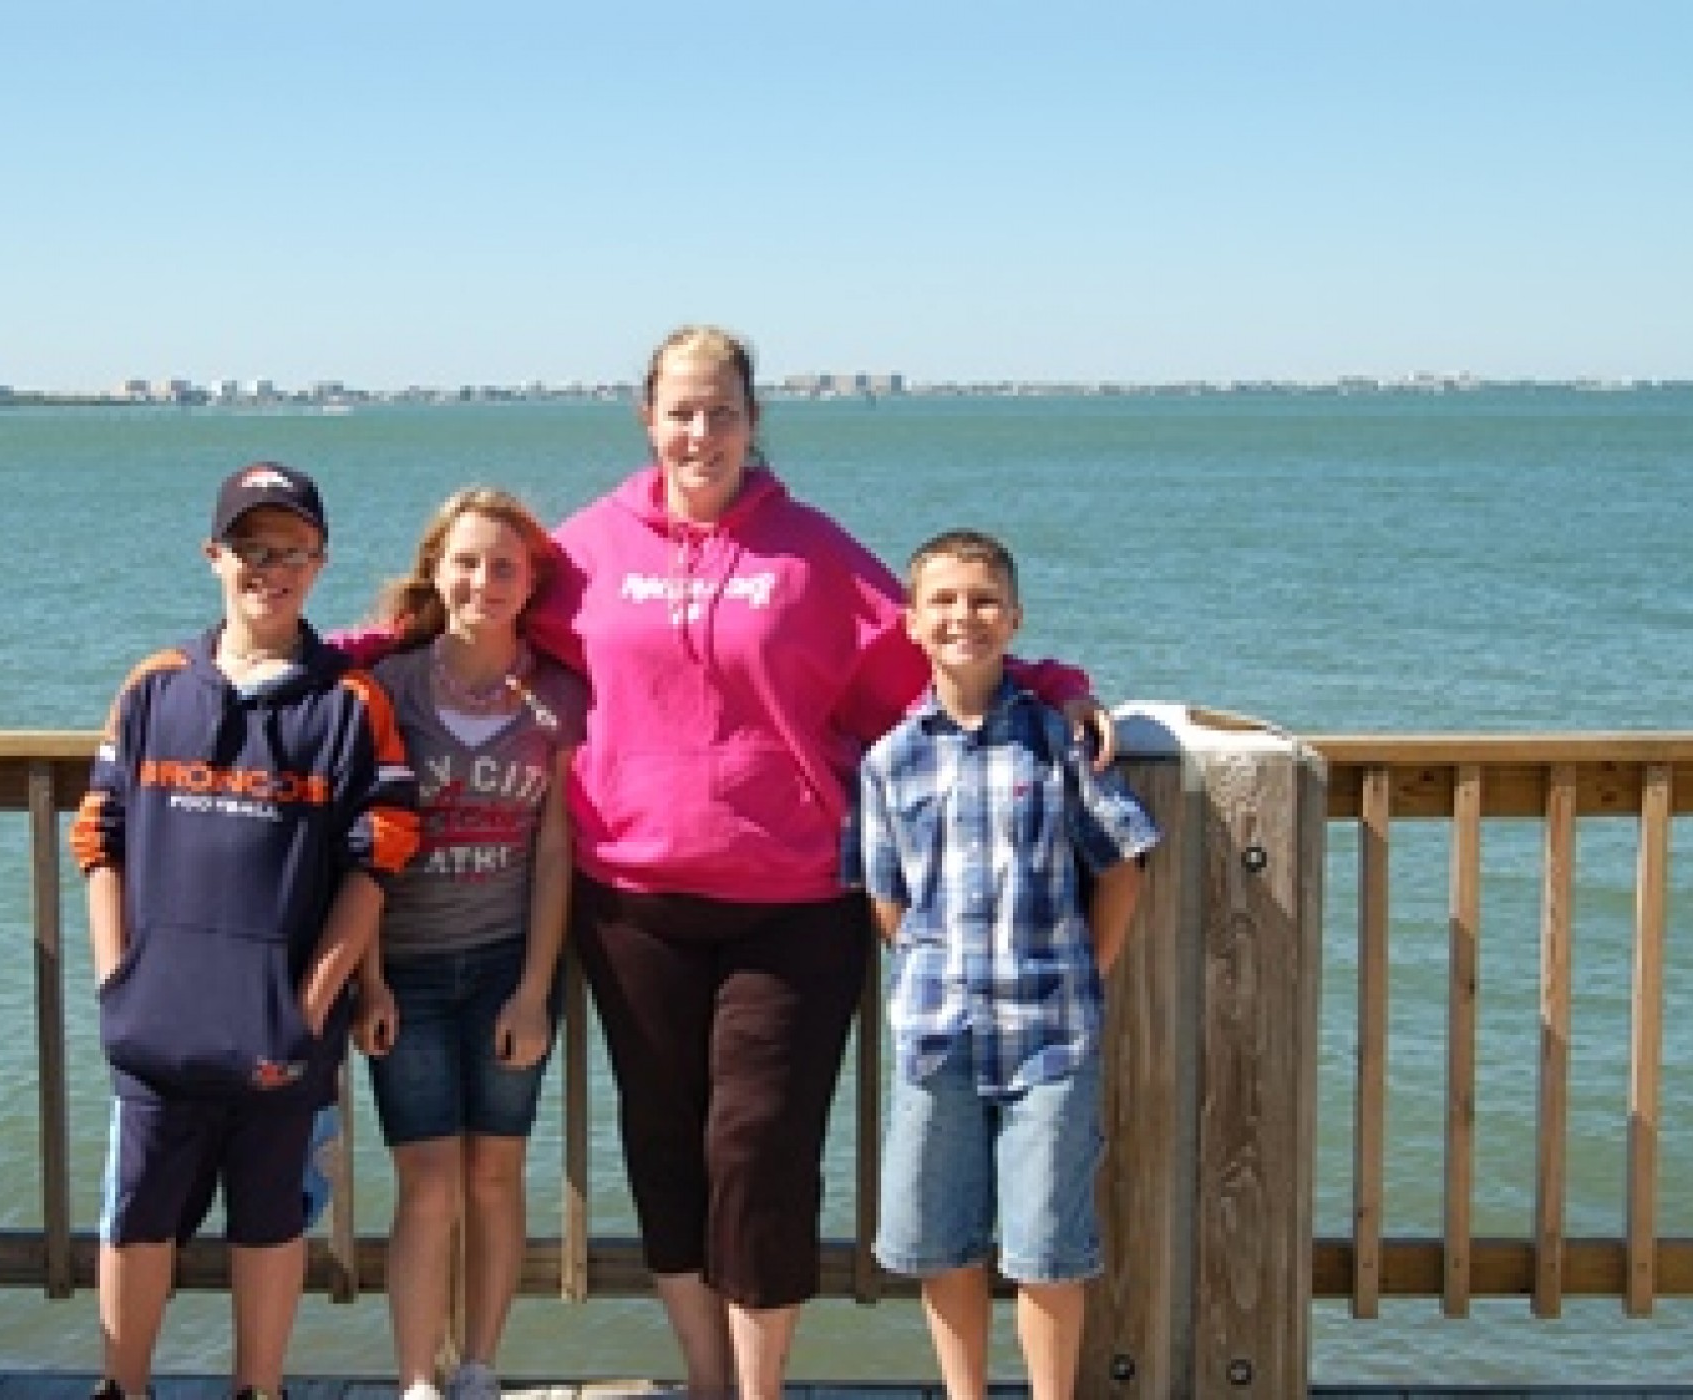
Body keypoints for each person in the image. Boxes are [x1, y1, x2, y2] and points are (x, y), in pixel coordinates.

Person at [522, 325, 1109, 1399]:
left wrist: (1058, 683)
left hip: (792, 899)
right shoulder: (585, 549)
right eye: (682, 410)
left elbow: (927, 646)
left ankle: (759, 1388)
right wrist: (339, 664)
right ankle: (705, 1378)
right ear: (646, 418)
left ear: (755, 422)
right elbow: (459, 617)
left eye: (724, 411)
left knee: (758, 1147)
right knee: (663, 1145)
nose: (701, 431)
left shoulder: (808, 549)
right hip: (631, 898)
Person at [70, 460, 421, 1400]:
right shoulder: (153, 687)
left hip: (283, 1037)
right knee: (135, 1219)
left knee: (271, 1223)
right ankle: (123, 1386)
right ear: (213, 556)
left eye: (293, 552)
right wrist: (117, 980)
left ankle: (257, 1388)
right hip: (156, 1025)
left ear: (320, 562)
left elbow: (374, 862)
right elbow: (96, 836)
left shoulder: (350, 703)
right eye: (251, 549)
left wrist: (310, 1007)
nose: (272, 569)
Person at [858, 529, 1159, 1400]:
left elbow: (1120, 868)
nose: (964, 617)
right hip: (936, 1033)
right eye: (943, 602)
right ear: (911, 623)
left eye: (983, 601)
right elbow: (887, 897)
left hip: (1050, 1037)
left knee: (1045, 1248)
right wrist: (928, 971)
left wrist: (1087, 973)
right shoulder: (889, 759)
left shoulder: (1056, 740)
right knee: (939, 1240)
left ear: (1015, 618)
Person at [351, 489, 586, 1400]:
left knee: (494, 1172)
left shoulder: (555, 696)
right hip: (404, 970)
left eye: (503, 566)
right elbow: (361, 841)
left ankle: (479, 1365)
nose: (482, 580)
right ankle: (417, 1377)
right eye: (465, 561)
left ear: (530, 584)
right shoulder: (389, 686)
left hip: (504, 965)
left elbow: (555, 850)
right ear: (434, 570)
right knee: (427, 1180)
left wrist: (534, 989)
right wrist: (367, 980)